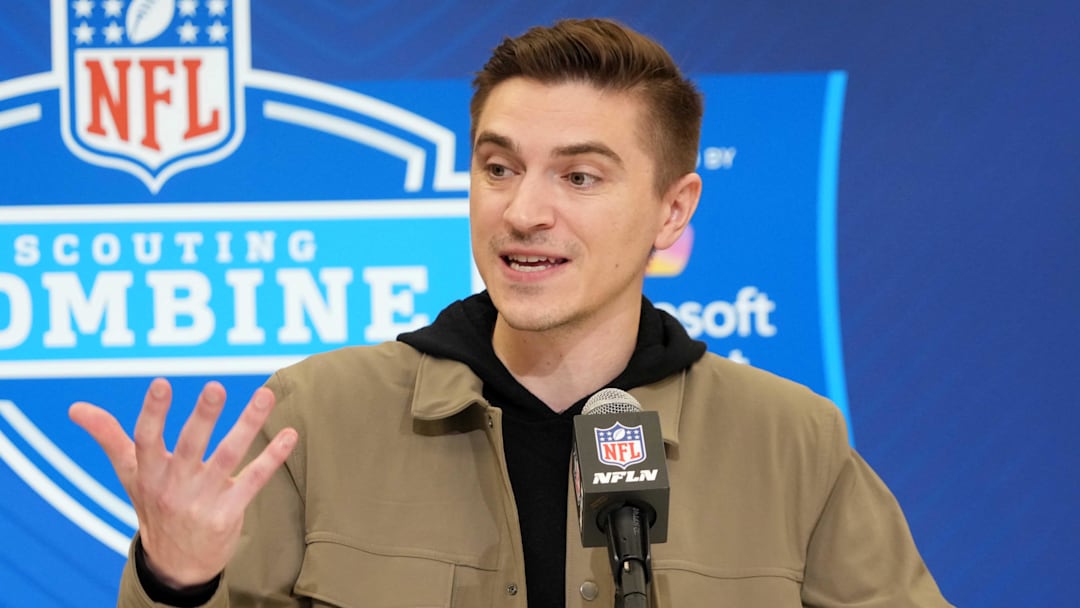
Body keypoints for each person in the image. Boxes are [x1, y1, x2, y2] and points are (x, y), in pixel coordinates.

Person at [70, 18, 952, 607]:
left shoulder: (790, 443)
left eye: (579, 176)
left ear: (673, 211)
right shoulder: (319, 418)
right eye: (499, 167)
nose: (523, 210)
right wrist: (176, 579)